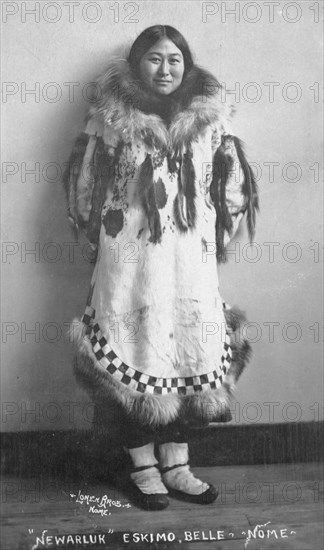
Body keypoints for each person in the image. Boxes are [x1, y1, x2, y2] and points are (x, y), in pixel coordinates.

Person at [63, 25, 258, 511]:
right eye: (154, 59)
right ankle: (143, 466)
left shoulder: (211, 119)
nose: (165, 69)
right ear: (136, 64)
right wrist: (102, 241)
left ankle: (178, 464)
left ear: (186, 65)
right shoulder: (109, 118)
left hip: (190, 258)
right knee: (135, 352)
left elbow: (231, 183)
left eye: (174, 59)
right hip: (129, 257)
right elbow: (85, 184)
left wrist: (215, 238)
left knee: (187, 356)